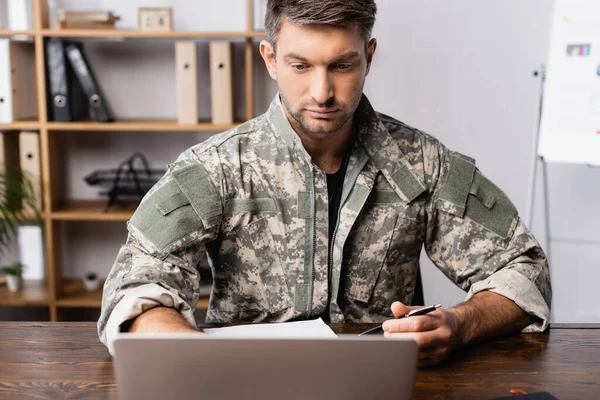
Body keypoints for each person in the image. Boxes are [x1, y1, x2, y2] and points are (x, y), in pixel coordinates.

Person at [98, 0, 551, 367]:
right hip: (243, 384)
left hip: (386, 386)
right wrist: (197, 356)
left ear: (369, 57)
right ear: (270, 59)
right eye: (301, 66)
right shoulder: (213, 168)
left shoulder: (423, 162)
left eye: (341, 66)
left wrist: (460, 323)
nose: (322, 92)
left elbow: (524, 269)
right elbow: (135, 287)